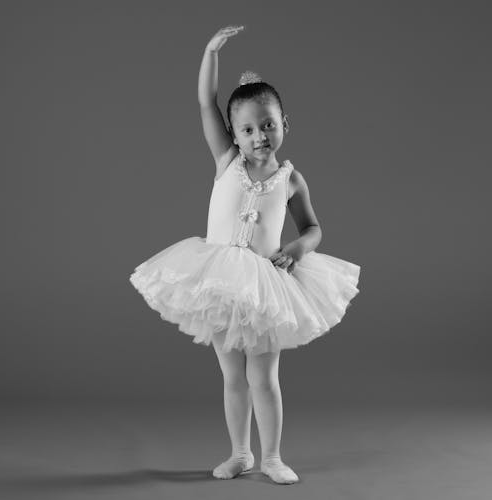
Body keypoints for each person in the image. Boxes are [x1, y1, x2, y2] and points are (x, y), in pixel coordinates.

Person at [129, 25, 361, 485]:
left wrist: (296, 248)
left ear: (285, 125)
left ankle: (272, 456)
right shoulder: (226, 162)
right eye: (249, 129)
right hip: (218, 279)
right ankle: (239, 453)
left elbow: (313, 229)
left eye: (268, 125)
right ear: (233, 134)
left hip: (263, 285)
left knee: (264, 376)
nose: (259, 136)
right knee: (231, 375)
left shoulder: (292, 179)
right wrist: (211, 52)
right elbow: (204, 103)